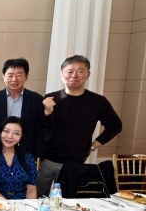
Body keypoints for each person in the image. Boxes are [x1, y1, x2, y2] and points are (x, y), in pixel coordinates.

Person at [37, 55, 122, 197]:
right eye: (69, 71)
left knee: (68, 201)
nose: (74, 75)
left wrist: (93, 146)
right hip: (47, 161)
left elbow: (115, 126)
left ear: (88, 75)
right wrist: (47, 112)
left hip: (75, 163)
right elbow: (42, 127)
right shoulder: (51, 98)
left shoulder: (98, 102)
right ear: (62, 75)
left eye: (80, 71)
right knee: (39, 198)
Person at [0, 58, 44, 158]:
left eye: (19, 75)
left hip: (26, 151)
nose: (14, 79)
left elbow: (39, 131)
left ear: (26, 76)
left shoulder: (37, 100)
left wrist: (39, 156)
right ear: (3, 76)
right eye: (10, 75)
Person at [0, 117, 37, 199]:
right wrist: (7, 205)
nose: (10, 136)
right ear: (0, 132)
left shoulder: (28, 158)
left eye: (16, 133)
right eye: (6, 131)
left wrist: (29, 208)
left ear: (21, 136)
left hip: (23, 203)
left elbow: (31, 189)